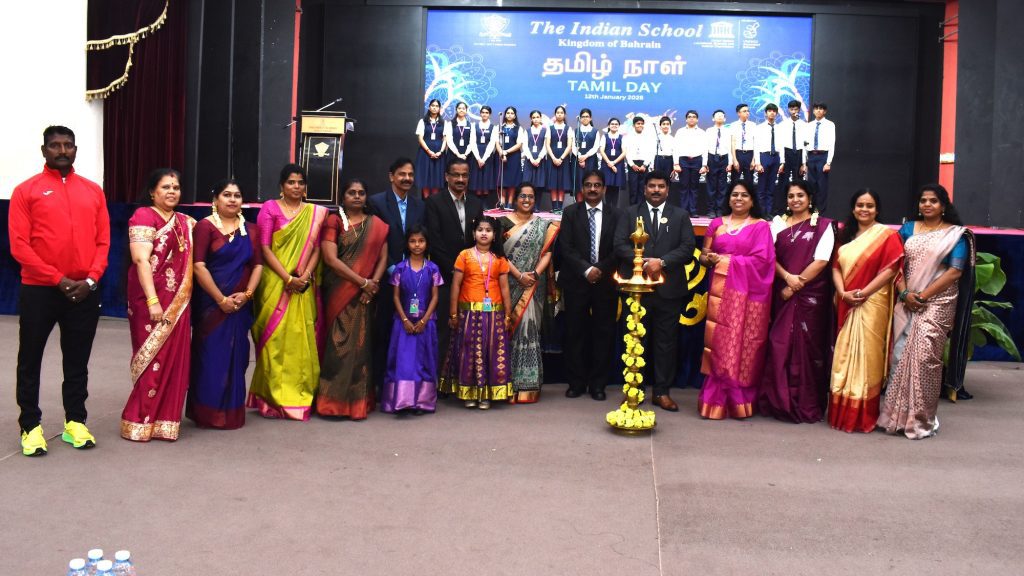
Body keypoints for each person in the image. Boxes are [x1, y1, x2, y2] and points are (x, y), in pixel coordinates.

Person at [9, 125, 109, 455]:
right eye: (55, 145)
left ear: (76, 150)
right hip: (40, 290)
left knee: (77, 361)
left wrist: (91, 279)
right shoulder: (26, 191)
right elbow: (19, 246)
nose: (62, 150)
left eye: (68, 145)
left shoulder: (93, 191)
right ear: (44, 151)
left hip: (84, 291)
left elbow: (103, 242)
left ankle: (75, 422)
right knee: (30, 359)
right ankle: (30, 426)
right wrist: (58, 279)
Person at [879, 184, 973, 439]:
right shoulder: (908, 229)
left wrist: (922, 296)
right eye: (923, 200)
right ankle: (896, 418)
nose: (927, 204)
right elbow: (896, 264)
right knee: (899, 356)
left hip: (938, 302)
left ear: (943, 205)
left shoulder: (955, 234)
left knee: (925, 359)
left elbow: (955, 272)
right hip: (907, 298)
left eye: (933, 200)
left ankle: (922, 419)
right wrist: (905, 294)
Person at [249, 164, 328, 420]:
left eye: (300, 182)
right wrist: (287, 278)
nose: (296, 186)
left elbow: (317, 249)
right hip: (275, 283)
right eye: (291, 182)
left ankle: (300, 395)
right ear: (282, 185)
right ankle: (271, 398)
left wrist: (304, 276)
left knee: (301, 339)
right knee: (274, 340)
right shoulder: (270, 208)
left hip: (303, 283)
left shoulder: (314, 213)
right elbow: (265, 247)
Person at [122, 168, 195, 442]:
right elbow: (141, 260)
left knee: (173, 361)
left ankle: (164, 421)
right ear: (153, 192)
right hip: (149, 300)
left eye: (176, 187)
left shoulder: (185, 222)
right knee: (152, 359)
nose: (172, 192)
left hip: (178, 303)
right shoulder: (144, 216)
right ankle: (138, 420)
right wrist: (153, 301)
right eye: (166, 187)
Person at [614, 171, 696, 411]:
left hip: (669, 291)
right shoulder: (629, 213)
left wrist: (662, 262)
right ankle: (634, 390)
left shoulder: (680, 215)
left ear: (668, 190)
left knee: (666, 343)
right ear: (644, 189)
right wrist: (642, 262)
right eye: (652, 186)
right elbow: (619, 245)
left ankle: (661, 392)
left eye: (661, 186)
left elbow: (687, 248)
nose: (656, 190)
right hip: (636, 290)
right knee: (635, 340)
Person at [188, 179, 263, 430]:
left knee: (237, 356)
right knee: (210, 358)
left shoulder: (251, 230)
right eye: (226, 195)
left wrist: (248, 294)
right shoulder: (205, 227)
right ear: (216, 199)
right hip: (211, 305)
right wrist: (221, 300)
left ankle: (231, 413)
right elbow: (198, 266)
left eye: (237, 195)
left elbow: (257, 266)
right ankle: (207, 414)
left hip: (240, 305)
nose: (232, 199)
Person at [697, 180, 775, 419]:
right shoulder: (717, 224)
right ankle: (716, 399)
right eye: (734, 194)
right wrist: (710, 259)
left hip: (748, 296)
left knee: (745, 343)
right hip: (720, 294)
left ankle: (738, 399)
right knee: (720, 342)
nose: (738, 199)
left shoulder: (760, 227)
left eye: (744, 195)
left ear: (752, 200)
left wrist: (725, 260)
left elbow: (763, 262)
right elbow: (704, 256)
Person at [758, 180, 835, 423]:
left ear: (810, 198)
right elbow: (770, 257)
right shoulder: (778, 224)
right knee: (778, 343)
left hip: (810, 298)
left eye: (800, 195)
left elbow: (821, 261)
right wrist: (788, 279)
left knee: (807, 348)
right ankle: (778, 402)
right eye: (791, 196)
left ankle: (805, 403)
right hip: (782, 293)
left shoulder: (823, 226)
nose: (795, 200)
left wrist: (795, 286)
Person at [829, 189, 904, 433]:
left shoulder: (886, 236)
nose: (864, 209)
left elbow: (891, 270)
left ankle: (862, 415)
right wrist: (843, 293)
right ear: (853, 209)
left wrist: (863, 293)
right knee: (844, 355)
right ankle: (841, 412)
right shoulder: (845, 235)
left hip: (872, 302)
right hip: (846, 301)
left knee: (868, 357)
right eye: (860, 205)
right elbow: (835, 267)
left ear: (877, 210)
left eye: (869, 206)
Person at [318, 178, 389, 419]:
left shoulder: (376, 224)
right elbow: (330, 259)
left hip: (365, 297)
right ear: (343, 196)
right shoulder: (334, 221)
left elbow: (382, 257)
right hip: (339, 293)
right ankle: (331, 403)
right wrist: (362, 283)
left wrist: (372, 285)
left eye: (361, 193)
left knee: (360, 349)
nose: (357, 196)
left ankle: (358, 403)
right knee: (337, 348)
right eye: (351, 192)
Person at [439, 215, 513, 409]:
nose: (484, 233)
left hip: (493, 313)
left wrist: (507, 315)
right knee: (468, 352)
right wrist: (453, 314)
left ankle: (486, 395)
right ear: (473, 234)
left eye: (488, 230)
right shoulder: (464, 255)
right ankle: (469, 393)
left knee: (490, 352)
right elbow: (456, 286)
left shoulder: (499, 259)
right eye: (480, 230)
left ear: (494, 235)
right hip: (468, 313)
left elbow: (505, 288)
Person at [559, 170, 621, 400]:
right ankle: (576, 383)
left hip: (606, 282)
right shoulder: (570, 213)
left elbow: (619, 248)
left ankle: (598, 385)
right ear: (582, 188)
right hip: (576, 281)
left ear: (604, 188)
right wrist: (586, 269)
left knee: (603, 334)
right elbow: (566, 247)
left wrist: (600, 269)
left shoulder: (617, 214)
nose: (592, 189)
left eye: (597, 185)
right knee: (575, 332)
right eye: (588, 185)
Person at [500, 182, 559, 403]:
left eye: (531, 197)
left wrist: (534, 274)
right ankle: (505, 383)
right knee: (507, 330)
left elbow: (548, 253)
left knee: (529, 329)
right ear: (515, 199)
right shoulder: (503, 222)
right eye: (522, 196)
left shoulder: (542, 225)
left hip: (533, 285)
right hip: (509, 283)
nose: (526, 200)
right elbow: (499, 255)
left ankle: (528, 385)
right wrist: (518, 275)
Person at [425, 158, 484, 369]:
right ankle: (440, 378)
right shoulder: (434, 202)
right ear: (446, 177)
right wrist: (455, 269)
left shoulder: (476, 203)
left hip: (471, 279)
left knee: (470, 329)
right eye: (456, 175)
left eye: (464, 175)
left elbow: (480, 240)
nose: (460, 179)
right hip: (445, 277)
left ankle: (465, 376)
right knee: (444, 328)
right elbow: (434, 241)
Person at [383, 225, 444, 414]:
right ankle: (402, 400)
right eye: (413, 241)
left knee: (425, 360)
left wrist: (424, 320)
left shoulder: (432, 268)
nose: (417, 245)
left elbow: (435, 297)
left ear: (427, 243)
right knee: (403, 361)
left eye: (421, 241)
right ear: (407, 244)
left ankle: (422, 402)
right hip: (403, 323)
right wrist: (405, 320)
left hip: (427, 323)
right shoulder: (400, 268)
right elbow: (395, 297)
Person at [804, 103, 836, 211]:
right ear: (813, 111)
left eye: (821, 109)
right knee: (811, 184)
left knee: (822, 185)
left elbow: (832, 144)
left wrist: (828, 162)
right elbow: (805, 143)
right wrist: (805, 162)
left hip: (823, 156)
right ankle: (811, 209)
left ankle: (821, 211)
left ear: (825, 111)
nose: (818, 111)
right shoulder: (809, 125)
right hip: (811, 156)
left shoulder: (830, 125)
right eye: (816, 109)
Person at [674, 110, 706, 215]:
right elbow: (676, 148)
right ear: (686, 119)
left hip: (697, 160)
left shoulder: (702, 132)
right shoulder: (680, 131)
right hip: (683, 160)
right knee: (684, 186)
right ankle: (683, 211)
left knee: (694, 187)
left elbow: (705, 149)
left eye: (694, 117)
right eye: (689, 117)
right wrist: (676, 163)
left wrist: (704, 165)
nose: (691, 118)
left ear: (697, 119)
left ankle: (693, 210)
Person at [777, 100, 807, 209]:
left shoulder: (804, 125)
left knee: (798, 181)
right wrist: (782, 161)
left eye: (796, 109)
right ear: (788, 110)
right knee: (783, 182)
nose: (794, 111)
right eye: (791, 109)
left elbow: (805, 145)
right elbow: (780, 144)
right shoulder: (783, 124)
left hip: (799, 153)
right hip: (786, 153)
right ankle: (782, 208)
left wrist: (804, 163)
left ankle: (798, 207)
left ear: (799, 110)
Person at [754, 103, 783, 215]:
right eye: (770, 111)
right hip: (764, 156)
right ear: (765, 113)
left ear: (776, 113)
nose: (772, 113)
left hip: (776, 157)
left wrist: (782, 162)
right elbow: (756, 146)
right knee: (762, 187)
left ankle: (769, 212)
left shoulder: (780, 128)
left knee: (771, 187)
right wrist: (758, 163)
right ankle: (761, 212)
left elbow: (782, 145)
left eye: (774, 111)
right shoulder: (759, 128)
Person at [414, 98, 446, 198]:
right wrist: (429, 151)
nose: (434, 108)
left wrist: (440, 152)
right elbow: (420, 138)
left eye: (437, 106)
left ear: (439, 108)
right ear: (429, 107)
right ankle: (426, 201)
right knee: (425, 177)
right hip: (425, 153)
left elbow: (445, 139)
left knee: (437, 178)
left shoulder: (443, 122)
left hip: (439, 154)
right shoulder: (422, 121)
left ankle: (434, 202)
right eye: (433, 106)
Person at [546, 105, 574, 213]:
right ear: (555, 114)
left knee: (562, 182)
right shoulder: (550, 128)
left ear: (564, 115)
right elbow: (547, 145)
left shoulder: (568, 128)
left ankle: (560, 208)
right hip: (552, 157)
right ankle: (554, 207)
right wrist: (553, 158)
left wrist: (561, 158)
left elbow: (569, 145)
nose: (559, 114)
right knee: (553, 182)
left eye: (561, 112)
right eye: (557, 112)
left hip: (564, 158)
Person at [496, 106, 525, 210]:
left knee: (513, 181)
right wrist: (501, 153)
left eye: (512, 113)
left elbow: (519, 144)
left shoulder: (518, 128)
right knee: (503, 180)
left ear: (515, 115)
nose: (509, 115)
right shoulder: (500, 127)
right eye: (508, 113)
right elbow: (497, 142)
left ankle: (510, 203)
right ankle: (502, 202)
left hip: (514, 157)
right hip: (501, 156)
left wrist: (507, 152)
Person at [704, 110, 732, 218]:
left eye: (722, 116)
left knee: (722, 186)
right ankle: (711, 210)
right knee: (711, 186)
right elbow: (705, 147)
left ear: (725, 119)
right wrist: (705, 163)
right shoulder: (709, 131)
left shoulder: (728, 131)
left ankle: (720, 210)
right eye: (717, 115)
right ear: (713, 118)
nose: (720, 117)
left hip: (724, 158)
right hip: (711, 158)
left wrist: (730, 163)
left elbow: (730, 148)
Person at [624, 116, 655, 205]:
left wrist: (645, 165)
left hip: (644, 164)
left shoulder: (648, 137)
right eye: (638, 123)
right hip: (633, 164)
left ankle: (641, 209)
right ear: (634, 125)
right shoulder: (628, 137)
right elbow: (626, 151)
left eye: (642, 124)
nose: (640, 125)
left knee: (643, 189)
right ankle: (632, 209)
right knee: (633, 188)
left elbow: (651, 151)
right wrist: (632, 164)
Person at [573, 108, 602, 201]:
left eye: (587, 116)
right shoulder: (576, 130)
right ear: (580, 118)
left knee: (590, 182)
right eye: (583, 117)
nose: (585, 118)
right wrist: (579, 157)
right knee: (578, 184)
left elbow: (596, 147)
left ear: (590, 118)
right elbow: (573, 146)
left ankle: (589, 204)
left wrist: (585, 156)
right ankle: (579, 205)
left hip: (590, 160)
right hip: (577, 160)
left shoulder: (595, 131)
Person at [470, 105, 498, 199]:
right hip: (476, 153)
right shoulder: (474, 126)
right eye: (483, 112)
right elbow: (472, 142)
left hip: (487, 155)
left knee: (486, 177)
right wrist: (478, 158)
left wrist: (484, 158)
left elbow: (492, 143)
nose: (484, 114)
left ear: (489, 114)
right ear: (480, 113)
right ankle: (477, 200)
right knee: (477, 178)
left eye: (486, 113)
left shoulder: (493, 127)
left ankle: (485, 202)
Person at [521, 110, 549, 201]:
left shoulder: (545, 131)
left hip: (540, 161)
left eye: (537, 117)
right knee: (528, 183)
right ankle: (529, 203)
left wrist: (539, 158)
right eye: (533, 117)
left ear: (541, 118)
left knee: (539, 184)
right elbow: (525, 146)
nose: (536, 119)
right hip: (529, 161)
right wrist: (531, 159)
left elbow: (546, 146)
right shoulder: (527, 131)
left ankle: (537, 205)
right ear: (531, 119)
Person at [600, 117, 627, 207]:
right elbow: (602, 151)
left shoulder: (621, 137)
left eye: (616, 124)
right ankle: (607, 209)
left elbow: (624, 152)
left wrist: (614, 163)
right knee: (607, 186)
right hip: (606, 164)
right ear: (608, 126)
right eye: (612, 124)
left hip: (618, 164)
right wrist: (610, 163)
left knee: (616, 187)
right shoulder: (604, 136)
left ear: (619, 126)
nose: (614, 125)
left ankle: (614, 210)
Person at [730, 103, 756, 184]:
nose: (747, 113)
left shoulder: (753, 125)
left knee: (749, 181)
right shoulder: (733, 125)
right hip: (738, 154)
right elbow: (733, 142)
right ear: (738, 113)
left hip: (749, 154)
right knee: (735, 181)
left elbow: (755, 143)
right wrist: (734, 160)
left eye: (748, 111)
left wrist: (753, 159)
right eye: (744, 111)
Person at [444, 101, 474, 168]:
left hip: (467, 155)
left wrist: (465, 154)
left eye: (463, 108)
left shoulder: (471, 125)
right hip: (453, 153)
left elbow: (472, 141)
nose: (461, 110)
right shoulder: (450, 124)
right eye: (459, 108)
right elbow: (449, 141)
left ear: (466, 110)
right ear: (456, 110)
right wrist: (457, 154)